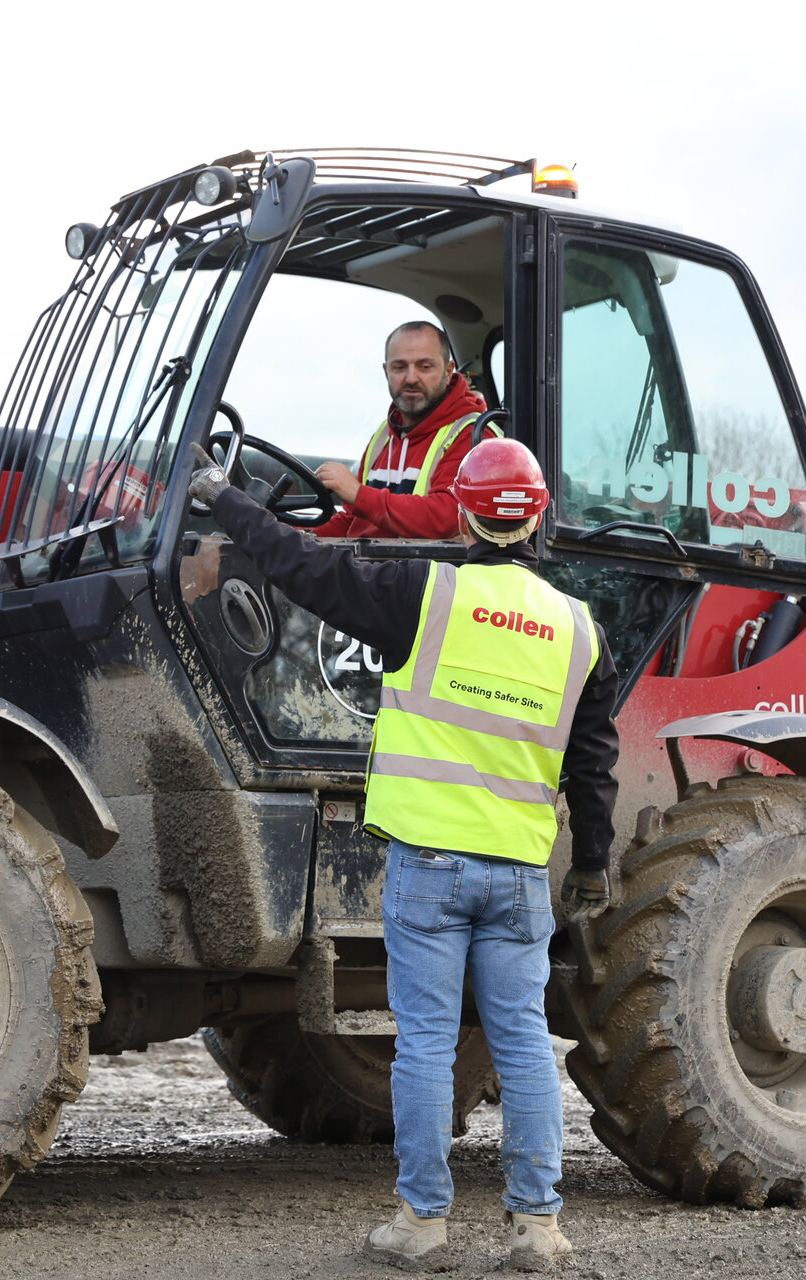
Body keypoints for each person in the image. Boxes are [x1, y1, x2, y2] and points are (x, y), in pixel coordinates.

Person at [188, 437, 620, 1272]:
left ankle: (422, 1224)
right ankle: (538, 1227)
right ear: (538, 520)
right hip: (519, 874)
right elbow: (594, 767)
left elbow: (301, 564)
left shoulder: (426, 594)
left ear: (462, 515)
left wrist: (222, 494)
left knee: (425, 1045)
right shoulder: (579, 630)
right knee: (523, 1042)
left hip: (430, 867)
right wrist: (592, 864)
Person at [314, 320, 492, 540]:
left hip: (425, 564)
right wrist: (298, 536)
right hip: (368, 561)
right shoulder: (384, 435)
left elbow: (448, 517)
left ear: (448, 371)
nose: (411, 378)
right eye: (399, 367)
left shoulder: (474, 436)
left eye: (424, 367)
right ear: (386, 371)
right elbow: (355, 519)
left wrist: (358, 494)